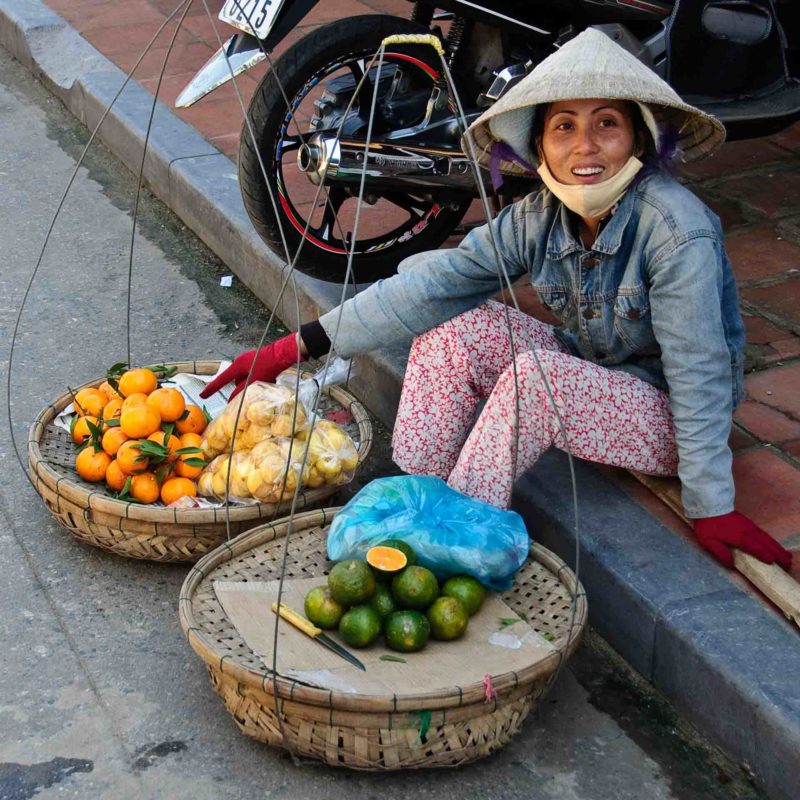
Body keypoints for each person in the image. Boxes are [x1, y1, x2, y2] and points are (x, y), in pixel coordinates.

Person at [201, 29, 791, 572]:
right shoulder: (538, 216)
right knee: (452, 325)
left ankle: (448, 544)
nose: (586, 146)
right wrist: (297, 344)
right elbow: (433, 287)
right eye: (564, 127)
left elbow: (700, 371)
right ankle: (415, 491)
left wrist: (711, 503)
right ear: (538, 145)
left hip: (663, 413)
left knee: (537, 377)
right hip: (592, 370)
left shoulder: (677, 229)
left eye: (607, 124)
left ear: (639, 136)